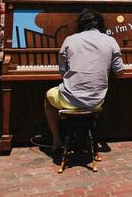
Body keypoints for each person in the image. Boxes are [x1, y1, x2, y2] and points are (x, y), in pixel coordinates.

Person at [44, 9, 124, 149]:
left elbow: (62, 73)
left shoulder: (69, 40)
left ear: (81, 25)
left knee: (48, 98)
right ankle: (87, 135)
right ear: (100, 25)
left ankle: (57, 140)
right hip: (96, 100)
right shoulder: (111, 41)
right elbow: (119, 72)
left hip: (70, 100)